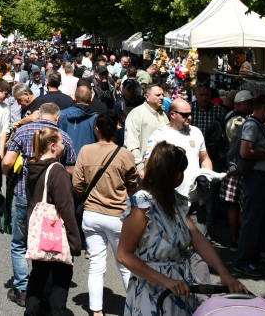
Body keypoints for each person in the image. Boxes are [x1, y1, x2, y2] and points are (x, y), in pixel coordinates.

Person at [118, 142, 245, 315]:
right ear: (173, 175)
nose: (183, 176)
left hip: (180, 288)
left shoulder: (175, 200)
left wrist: (224, 273)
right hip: (151, 292)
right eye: (181, 171)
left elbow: (197, 238)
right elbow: (124, 255)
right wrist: (166, 281)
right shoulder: (142, 204)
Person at [1, 102, 77, 307]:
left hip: (22, 193)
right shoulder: (63, 138)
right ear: (57, 117)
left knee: (19, 243)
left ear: (38, 114)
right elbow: (72, 170)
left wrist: (11, 177)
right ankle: (44, 290)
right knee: (47, 244)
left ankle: (24, 288)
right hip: (49, 201)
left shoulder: (22, 132)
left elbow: (7, 162)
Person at [142, 98, 215, 285]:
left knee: (199, 251)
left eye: (190, 113)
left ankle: (202, 300)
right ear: (172, 114)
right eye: (185, 114)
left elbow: (205, 158)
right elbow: (149, 166)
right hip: (170, 205)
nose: (189, 117)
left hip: (195, 204)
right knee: (173, 251)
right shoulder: (159, 135)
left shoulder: (196, 132)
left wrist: (207, 173)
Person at [73, 113, 139, 316]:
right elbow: (133, 185)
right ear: (116, 128)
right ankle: (135, 307)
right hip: (117, 215)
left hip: (92, 213)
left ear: (97, 129)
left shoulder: (86, 150)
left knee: (96, 265)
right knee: (125, 264)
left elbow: (77, 183)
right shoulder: (124, 154)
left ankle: (96, 310)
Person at [23, 127, 81, 316]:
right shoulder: (57, 170)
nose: (65, 147)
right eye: (62, 143)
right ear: (53, 146)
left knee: (38, 275)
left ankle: (31, 311)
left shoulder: (32, 166)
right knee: (61, 278)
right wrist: (74, 239)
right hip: (56, 231)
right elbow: (65, 207)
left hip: (39, 229)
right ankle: (58, 312)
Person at [234, 95, 265, 278]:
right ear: (263, 108)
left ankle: (255, 257)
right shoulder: (252, 125)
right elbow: (245, 152)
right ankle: (243, 261)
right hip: (256, 179)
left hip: (263, 180)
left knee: (259, 222)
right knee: (252, 221)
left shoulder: (259, 125)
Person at [219, 90, 254, 248]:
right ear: (241, 104)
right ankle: (239, 238)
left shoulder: (230, 116)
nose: (252, 106)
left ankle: (236, 237)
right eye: (249, 103)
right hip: (239, 167)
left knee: (234, 205)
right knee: (240, 205)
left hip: (232, 166)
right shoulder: (238, 121)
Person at [124, 84, 167, 171]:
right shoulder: (136, 114)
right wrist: (140, 166)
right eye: (158, 95)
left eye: (162, 95)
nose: (162, 97)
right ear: (147, 97)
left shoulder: (163, 114)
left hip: (164, 167)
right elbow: (131, 143)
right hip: (145, 168)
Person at [58, 84, 100, 151]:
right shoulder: (96, 119)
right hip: (87, 158)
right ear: (91, 100)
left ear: (74, 98)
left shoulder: (61, 115)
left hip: (66, 158)